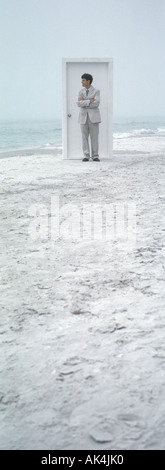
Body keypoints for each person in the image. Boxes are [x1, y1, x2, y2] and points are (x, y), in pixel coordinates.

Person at [76, 73, 101, 161]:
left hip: (93, 117)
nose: (81, 82)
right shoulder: (80, 91)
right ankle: (86, 155)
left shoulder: (96, 91)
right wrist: (90, 101)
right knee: (84, 137)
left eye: (83, 80)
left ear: (88, 81)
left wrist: (84, 102)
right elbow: (78, 103)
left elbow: (96, 103)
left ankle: (95, 156)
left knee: (94, 137)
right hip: (83, 117)